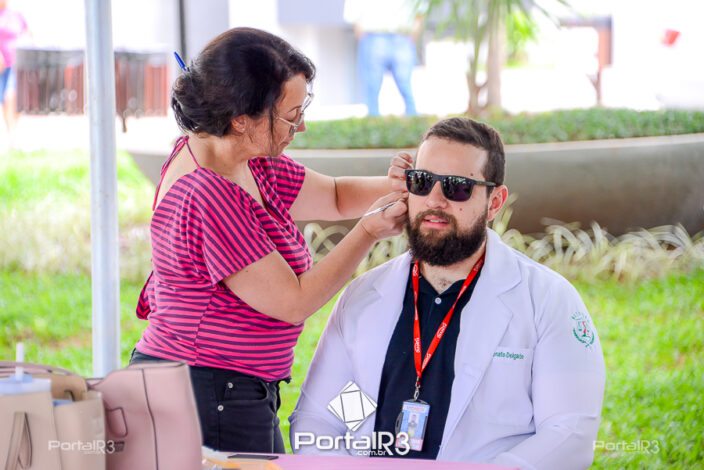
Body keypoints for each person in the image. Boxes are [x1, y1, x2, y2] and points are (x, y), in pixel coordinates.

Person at [129, 27, 413, 454]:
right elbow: (293, 301)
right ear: (241, 118)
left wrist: (411, 185)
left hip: (228, 388)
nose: (302, 126)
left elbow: (335, 195)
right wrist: (368, 231)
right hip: (203, 391)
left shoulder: (241, 155)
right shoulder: (207, 192)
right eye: (291, 116)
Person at [290, 117, 606, 468]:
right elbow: (321, 419)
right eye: (422, 182)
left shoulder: (546, 300)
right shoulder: (364, 298)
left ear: (495, 202)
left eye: (458, 187)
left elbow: (569, 433)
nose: (434, 200)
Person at [344, 0, 420, 116]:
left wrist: (415, 30)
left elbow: (420, 9)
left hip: (402, 35)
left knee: (406, 84)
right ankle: (373, 118)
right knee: (372, 85)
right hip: (373, 34)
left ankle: (412, 115)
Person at [0, 0, 28, 142]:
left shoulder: (15, 15)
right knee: (4, 97)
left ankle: (11, 131)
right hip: (1, 64)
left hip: (15, 64)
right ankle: (9, 129)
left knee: (11, 96)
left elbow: (26, 33)